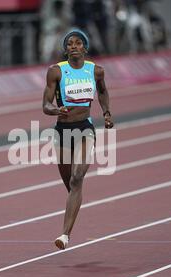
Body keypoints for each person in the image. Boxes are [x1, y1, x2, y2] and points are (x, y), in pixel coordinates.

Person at [42, 29, 114, 250]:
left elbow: (102, 92)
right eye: (69, 43)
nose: (73, 46)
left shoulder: (96, 71)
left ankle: (64, 235)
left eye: (77, 43)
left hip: (85, 129)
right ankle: (76, 202)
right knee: (70, 184)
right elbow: (45, 105)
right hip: (62, 131)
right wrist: (55, 111)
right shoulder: (56, 72)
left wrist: (107, 113)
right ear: (65, 49)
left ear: (85, 47)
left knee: (76, 178)